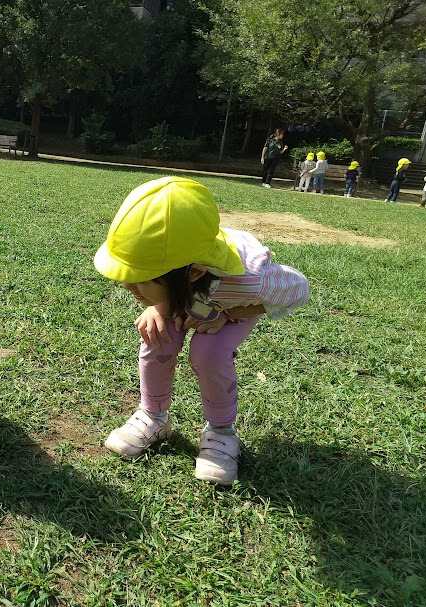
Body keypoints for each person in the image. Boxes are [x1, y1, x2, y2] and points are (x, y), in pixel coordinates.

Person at [94, 177, 309, 485]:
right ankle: (153, 416)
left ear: (194, 272)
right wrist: (156, 306)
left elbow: (299, 289)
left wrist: (230, 313)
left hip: (231, 303)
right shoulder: (177, 273)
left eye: (140, 278)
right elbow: (171, 287)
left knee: (208, 352)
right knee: (158, 337)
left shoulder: (252, 280)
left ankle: (221, 432)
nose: (126, 286)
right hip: (186, 293)